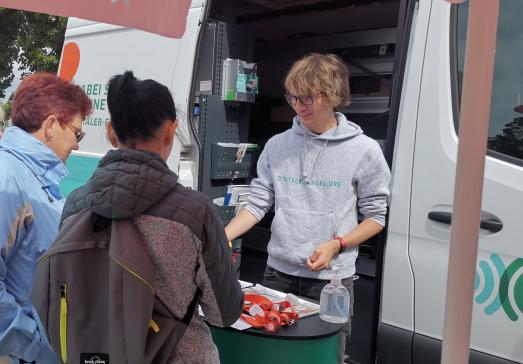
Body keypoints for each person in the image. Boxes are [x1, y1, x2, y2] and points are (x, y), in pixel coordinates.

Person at [59, 71, 244, 363]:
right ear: (171, 130)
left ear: (110, 131)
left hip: (99, 352)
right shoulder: (195, 213)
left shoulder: (76, 205)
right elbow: (225, 313)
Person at [225, 53, 391, 363]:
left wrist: (337, 244)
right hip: (278, 274)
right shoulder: (278, 145)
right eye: (294, 98)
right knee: (274, 355)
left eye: (308, 98)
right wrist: (224, 234)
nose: (300, 106)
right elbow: (259, 202)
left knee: (326, 357)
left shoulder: (364, 150)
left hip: (332, 282)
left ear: (333, 95)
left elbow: (376, 218)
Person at [0, 72, 91, 363]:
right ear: (51, 125)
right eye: (77, 133)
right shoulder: (8, 179)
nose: (77, 145)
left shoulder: (32, 176)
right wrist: (34, 348)